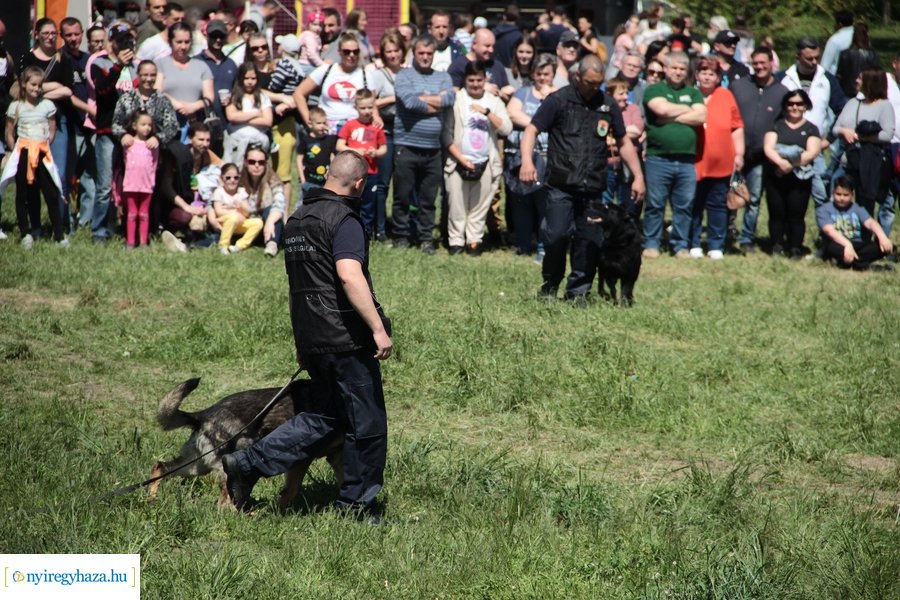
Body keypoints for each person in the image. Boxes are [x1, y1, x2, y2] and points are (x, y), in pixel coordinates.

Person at [222, 150, 392, 521]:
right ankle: (357, 507)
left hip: (313, 337)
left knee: (324, 417)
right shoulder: (344, 219)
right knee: (367, 423)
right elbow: (349, 275)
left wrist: (302, 342)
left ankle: (246, 464)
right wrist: (377, 328)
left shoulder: (298, 220)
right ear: (360, 183)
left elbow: (296, 286)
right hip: (345, 339)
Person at [519, 55, 646, 302]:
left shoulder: (607, 105)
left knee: (588, 241)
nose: (594, 88)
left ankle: (578, 292)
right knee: (556, 236)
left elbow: (623, 142)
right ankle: (550, 286)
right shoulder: (558, 100)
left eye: (598, 83)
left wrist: (638, 176)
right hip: (561, 184)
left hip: (592, 186)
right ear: (577, 76)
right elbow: (531, 129)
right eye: (589, 82)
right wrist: (526, 161)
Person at [641, 51, 707, 258]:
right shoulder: (654, 89)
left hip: (687, 160)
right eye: (674, 68)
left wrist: (671, 116)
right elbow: (660, 109)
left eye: (681, 69)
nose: (678, 72)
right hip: (658, 158)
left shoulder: (694, 92)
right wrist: (687, 110)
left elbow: (702, 115)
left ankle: (680, 246)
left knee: (685, 205)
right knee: (655, 203)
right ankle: (651, 243)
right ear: (666, 69)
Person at [443, 61, 512, 255]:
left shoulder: (493, 101)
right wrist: (461, 159)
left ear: (485, 80)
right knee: (456, 204)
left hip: (486, 161)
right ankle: (456, 240)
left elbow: (506, 128)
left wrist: (488, 113)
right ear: (465, 80)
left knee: (480, 205)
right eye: (471, 80)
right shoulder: (456, 99)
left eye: (479, 80)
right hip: (458, 160)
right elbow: (446, 134)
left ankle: (474, 239)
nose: (475, 84)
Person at [19, 18, 75, 237]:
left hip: (57, 122)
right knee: (31, 177)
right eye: (46, 33)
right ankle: (35, 227)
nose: (51, 36)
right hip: (30, 126)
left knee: (58, 174)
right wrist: (53, 87)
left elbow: (68, 90)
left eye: (54, 33)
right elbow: (23, 89)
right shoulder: (27, 57)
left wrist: (39, 90)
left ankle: (61, 226)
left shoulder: (63, 59)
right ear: (37, 34)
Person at [777, 37, 847, 207]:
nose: (814, 62)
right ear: (798, 57)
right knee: (784, 194)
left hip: (815, 148)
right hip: (785, 147)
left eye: (817, 57)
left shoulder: (827, 79)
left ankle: (825, 233)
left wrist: (829, 139)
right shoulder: (782, 78)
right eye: (809, 58)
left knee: (822, 195)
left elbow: (842, 111)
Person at [732, 47, 789, 254]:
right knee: (728, 194)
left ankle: (747, 237)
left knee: (753, 198)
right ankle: (725, 232)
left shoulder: (781, 92)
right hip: (735, 151)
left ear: (772, 63)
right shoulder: (739, 86)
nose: (759, 67)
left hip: (760, 155)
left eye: (763, 63)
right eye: (755, 63)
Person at [1, 67, 66, 248]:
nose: (37, 89)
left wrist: (43, 145)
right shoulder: (16, 107)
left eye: (40, 85)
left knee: (51, 193)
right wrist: (17, 150)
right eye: (33, 85)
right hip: (24, 152)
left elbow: (51, 129)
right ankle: (25, 232)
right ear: (24, 84)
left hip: (43, 153)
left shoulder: (47, 106)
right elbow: (9, 132)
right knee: (23, 193)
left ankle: (59, 235)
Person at [86, 22, 138, 244]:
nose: (125, 44)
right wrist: (118, 65)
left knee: (131, 184)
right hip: (107, 131)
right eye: (121, 40)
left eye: (129, 40)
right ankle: (99, 230)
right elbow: (103, 91)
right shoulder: (100, 63)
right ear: (112, 41)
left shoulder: (136, 67)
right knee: (105, 186)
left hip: (131, 133)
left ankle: (127, 226)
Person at [689, 57, 744, 260]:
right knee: (694, 203)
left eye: (711, 73)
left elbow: (736, 127)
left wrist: (739, 153)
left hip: (722, 162)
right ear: (696, 75)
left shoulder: (726, 95)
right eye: (703, 72)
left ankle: (715, 244)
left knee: (718, 204)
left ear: (718, 77)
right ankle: (693, 242)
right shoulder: (690, 94)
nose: (706, 76)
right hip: (695, 161)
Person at [832, 68, 895, 234]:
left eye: (860, 78)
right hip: (848, 159)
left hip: (869, 163)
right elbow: (836, 127)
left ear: (870, 82)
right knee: (837, 197)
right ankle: (837, 236)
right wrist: (843, 132)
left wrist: (863, 138)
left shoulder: (884, 106)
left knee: (865, 202)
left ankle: (863, 239)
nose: (856, 81)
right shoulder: (853, 103)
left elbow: (887, 134)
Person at [506, 53, 555, 257]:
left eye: (547, 74)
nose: (542, 78)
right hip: (521, 156)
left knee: (545, 204)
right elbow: (512, 113)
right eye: (539, 73)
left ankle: (544, 247)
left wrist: (532, 122)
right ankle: (523, 245)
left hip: (547, 156)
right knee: (521, 203)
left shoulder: (559, 94)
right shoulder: (523, 93)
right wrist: (540, 122)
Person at [763, 89, 822, 258]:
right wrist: (781, 163)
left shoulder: (811, 128)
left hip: (800, 179)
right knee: (776, 213)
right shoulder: (776, 124)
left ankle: (795, 247)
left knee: (796, 215)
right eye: (790, 103)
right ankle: (777, 245)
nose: (794, 107)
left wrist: (791, 164)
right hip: (776, 175)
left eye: (799, 103)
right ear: (785, 106)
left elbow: (812, 152)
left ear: (805, 106)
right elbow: (768, 147)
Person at [294, 33, 376, 137]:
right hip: (327, 130)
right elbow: (298, 94)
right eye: (347, 52)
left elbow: (373, 104)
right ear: (339, 52)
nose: (351, 55)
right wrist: (310, 121)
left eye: (355, 52)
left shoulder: (366, 75)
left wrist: (376, 118)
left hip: (355, 131)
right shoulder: (326, 70)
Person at [367, 30, 405, 241]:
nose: (392, 55)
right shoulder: (378, 75)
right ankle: (379, 228)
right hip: (386, 132)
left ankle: (401, 226)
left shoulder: (408, 72)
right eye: (388, 51)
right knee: (382, 183)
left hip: (406, 132)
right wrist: (391, 99)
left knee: (404, 184)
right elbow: (371, 102)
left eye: (396, 50)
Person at [59, 17, 95, 233]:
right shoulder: (60, 59)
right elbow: (67, 95)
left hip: (90, 128)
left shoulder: (89, 60)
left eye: (76, 34)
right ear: (62, 36)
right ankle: (67, 224)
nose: (73, 39)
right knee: (66, 177)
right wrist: (90, 110)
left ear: (82, 33)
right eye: (68, 35)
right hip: (69, 127)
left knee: (90, 178)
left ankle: (85, 223)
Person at [336, 89, 387, 236]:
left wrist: (376, 152)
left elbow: (384, 148)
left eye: (370, 107)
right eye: (363, 108)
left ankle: (366, 232)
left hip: (370, 172)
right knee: (350, 201)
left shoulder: (377, 127)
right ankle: (347, 231)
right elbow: (339, 145)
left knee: (369, 203)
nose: (366, 111)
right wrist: (355, 150)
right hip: (352, 173)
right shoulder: (350, 125)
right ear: (355, 107)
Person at [817, 176, 893, 270]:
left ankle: (849, 263)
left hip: (858, 244)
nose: (842, 198)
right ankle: (863, 265)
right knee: (831, 247)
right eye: (838, 194)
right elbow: (829, 231)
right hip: (837, 243)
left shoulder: (857, 208)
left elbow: (870, 223)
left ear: (852, 195)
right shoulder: (823, 209)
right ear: (833, 193)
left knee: (883, 247)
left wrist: (882, 236)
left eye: (846, 195)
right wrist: (847, 245)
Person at [155, 22, 214, 141]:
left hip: (194, 126)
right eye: (179, 42)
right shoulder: (160, 64)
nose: (183, 46)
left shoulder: (202, 66)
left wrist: (193, 106)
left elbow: (209, 97)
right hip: (167, 124)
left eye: (187, 42)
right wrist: (177, 105)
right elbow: (157, 90)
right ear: (170, 41)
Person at [602, 78, 644, 217]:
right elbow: (601, 137)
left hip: (627, 165)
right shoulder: (604, 111)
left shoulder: (633, 109)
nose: (625, 97)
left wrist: (614, 134)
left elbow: (637, 130)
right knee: (604, 203)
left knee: (627, 204)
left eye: (627, 93)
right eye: (621, 93)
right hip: (607, 165)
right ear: (610, 94)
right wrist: (625, 133)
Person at [119, 111, 159, 248]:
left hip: (147, 185)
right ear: (135, 126)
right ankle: (130, 242)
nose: (147, 128)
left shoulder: (152, 145)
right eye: (143, 124)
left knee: (143, 214)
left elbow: (154, 165)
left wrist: (151, 182)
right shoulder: (128, 143)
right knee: (131, 213)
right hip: (131, 184)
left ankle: (143, 242)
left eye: (149, 125)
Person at [238, 144, 284, 257]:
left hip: (267, 227)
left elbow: (279, 205)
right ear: (245, 163)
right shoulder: (237, 180)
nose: (257, 165)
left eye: (261, 162)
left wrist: (269, 222)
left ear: (266, 164)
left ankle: (272, 244)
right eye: (252, 162)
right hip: (246, 225)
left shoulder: (273, 181)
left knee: (270, 211)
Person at [223, 63, 272, 164]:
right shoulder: (234, 96)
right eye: (246, 78)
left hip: (257, 144)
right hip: (236, 143)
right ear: (241, 78)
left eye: (253, 78)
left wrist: (241, 119)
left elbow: (268, 121)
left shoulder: (262, 97)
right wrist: (255, 114)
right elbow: (231, 117)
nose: (250, 82)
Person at [448, 28, 514, 101]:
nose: (491, 50)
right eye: (487, 46)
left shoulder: (497, 66)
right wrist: (479, 88)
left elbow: (507, 94)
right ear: (474, 44)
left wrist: (500, 93)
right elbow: (453, 95)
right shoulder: (458, 66)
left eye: (493, 46)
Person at [213, 162, 262, 255]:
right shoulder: (219, 192)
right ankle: (223, 245)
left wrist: (240, 208)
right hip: (224, 223)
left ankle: (239, 246)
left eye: (236, 178)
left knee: (258, 223)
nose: (232, 180)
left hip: (239, 222)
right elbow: (218, 211)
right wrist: (235, 213)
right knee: (233, 218)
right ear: (222, 178)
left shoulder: (241, 191)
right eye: (228, 178)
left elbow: (247, 212)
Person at [296, 106, 335, 197]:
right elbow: (299, 159)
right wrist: (303, 180)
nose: (322, 126)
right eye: (319, 123)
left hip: (325, 182)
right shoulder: (306, 140)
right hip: (309, 181)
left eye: (324, 123)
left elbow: (332, 157)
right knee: (306, 207)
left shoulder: (329, 140)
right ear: (310, 124)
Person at [836, 23, 879, 99]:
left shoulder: (845, 53)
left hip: (847, 93)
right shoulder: (872, 54)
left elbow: (839, 75)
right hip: (866, 92)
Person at [821, 10, 854, 75]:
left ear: (840, 24)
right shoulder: (860, 37)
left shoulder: (835, 39)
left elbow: (825, 65)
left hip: (838, 78)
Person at [298, 11, 325, 76]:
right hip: (306, 65)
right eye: (314, 24)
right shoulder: (309, 36)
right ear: (308, 24)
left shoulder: (314, 36)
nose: (317, 28)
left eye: (320, 25)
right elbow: (311, 54)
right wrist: (322, 65)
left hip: (308, 64)